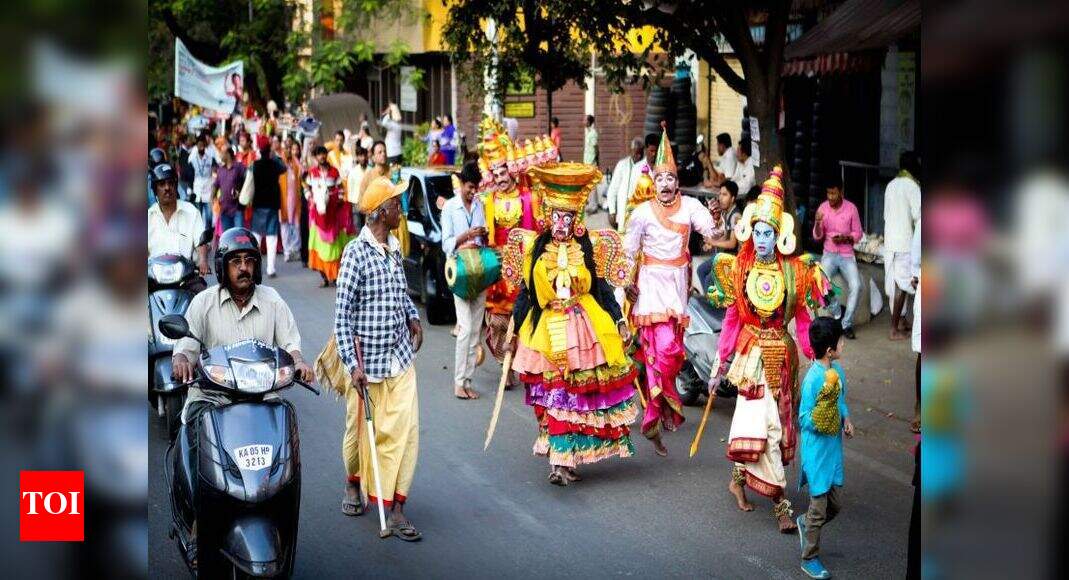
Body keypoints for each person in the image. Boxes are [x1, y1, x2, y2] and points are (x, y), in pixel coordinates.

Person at [170, 227, 314, 566]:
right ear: (222, 266)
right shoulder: (204, 303)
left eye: (250, 260)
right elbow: (186, 347)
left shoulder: (272, 301)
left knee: (285, 446)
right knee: (194, 445)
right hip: (211, 402)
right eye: (236, 261)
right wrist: (180, 360)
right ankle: (197, 524)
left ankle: (279, 521)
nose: (244, 267)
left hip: (261, 402)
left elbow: (291, 346)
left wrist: (299, 363)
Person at [706, 165, 831, 533]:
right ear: (750, 232)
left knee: (773, 425)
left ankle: (738, 479)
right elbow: (731, 321)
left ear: (778, 236)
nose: (761, 239)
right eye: (757, 232)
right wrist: (719, 363)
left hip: (783, 358)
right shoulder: (739, 268)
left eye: (768, 233)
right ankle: (781, 503)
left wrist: (817, 359)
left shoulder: (795, 272)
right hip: (750, 357)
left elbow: (805, 320)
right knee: (767, 427)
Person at [504, 162, 636, 486]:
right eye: (556, 216)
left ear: (575, 220)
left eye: (567, 217)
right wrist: (511, 330)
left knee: (574, 398)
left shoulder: (583, 247)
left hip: (583, 330)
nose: (561, 223)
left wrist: (618, 320)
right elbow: (526, 294)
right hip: (546, 331)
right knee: (553, 395)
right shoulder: (537, 248)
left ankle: (566, 457)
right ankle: (558, 460)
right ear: (548, 216)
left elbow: (600, 288)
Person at [334, 176, 424, 541]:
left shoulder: (394, 248)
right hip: (365, 363)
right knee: (359, 433)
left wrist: (413, 316)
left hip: (399, 357)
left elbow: (401, 292)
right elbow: (342, 316)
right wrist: (352, 366)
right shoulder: (355, 253)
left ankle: (397, 506)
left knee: (407, 431)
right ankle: (353, 483)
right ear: (381, 211)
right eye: (396, 204)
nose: (400, 210)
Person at [623, 127, 719, 456]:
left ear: (676, 181)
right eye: (660, 178)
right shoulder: (642, 213)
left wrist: (718, 215)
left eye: (670, 178)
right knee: (658, 349)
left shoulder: (691, 206)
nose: (665, 184)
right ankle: (653, 411)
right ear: (654, 181)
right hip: (650, 285)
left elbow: (713, 231)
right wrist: (626, 285)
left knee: (674, 352)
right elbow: (626, 252)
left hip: (677, 288)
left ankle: (658, 406)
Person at [476, 117, 541, 365]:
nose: (501, 177)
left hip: (522, 267)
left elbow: (536, 231)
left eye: (504, 172)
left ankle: (519, 361)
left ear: (511, 171)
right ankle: (505, 360)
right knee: (496, 320)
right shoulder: (489, 201)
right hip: (499, 269)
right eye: (496, 173)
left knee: (523, 316)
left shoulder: (528, 198)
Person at [796, 317, 854, 579]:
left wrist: (846, 418)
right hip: (817, 453)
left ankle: (806, 523)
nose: (843, 343)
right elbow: (803, 418)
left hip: (833, 452)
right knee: (819, 508)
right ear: (830, 349)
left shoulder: (837, 373)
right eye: (840, 341)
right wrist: (822, 416)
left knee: (836, 506)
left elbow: (841, 400)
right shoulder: (812, 380)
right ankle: (809, 558)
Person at [440, 161, 488, 399]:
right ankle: (458, 382)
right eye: (470, 187)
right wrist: (467, 235)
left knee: (476, 332)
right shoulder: (449, 208)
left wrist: (483, 235)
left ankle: (468, 382)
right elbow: (446, 244)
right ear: (461, 184)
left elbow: (484, 237)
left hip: (479, 271)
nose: (473, 191)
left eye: (475, 188)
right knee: (466, 328)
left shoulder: (480, 205)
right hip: (460, 272)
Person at [812, 176, 863, 339]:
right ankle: (836, 311)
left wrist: (846, 238)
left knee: (857, 286)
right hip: (829, 254)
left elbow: (858, 233)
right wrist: (817, 223)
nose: (830, 197)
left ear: (841, 192)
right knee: (818, 280)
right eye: (828, 193)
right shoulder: (823, 208)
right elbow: (817, 237)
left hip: (847, 254)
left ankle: (846, 324)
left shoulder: (851, 208)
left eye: (834, 193)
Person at [148, 163, 211, 275]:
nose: (167, 188)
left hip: (186, 277)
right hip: (154, 279)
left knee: (202, 291)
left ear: (176, 186)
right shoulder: (148, 217)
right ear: (154, 189)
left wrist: (203, 261)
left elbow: (201, 242)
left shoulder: (191, 212)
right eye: (162, 184)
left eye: (171, 183)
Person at [884, 150, 921, 340]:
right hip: (905, 242)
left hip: (890, 241)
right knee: (902, 284)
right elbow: (919, 217)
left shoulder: (891, 185)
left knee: (900, 283)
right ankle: (894, 329)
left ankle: (902, 321)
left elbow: (885, 215)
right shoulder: (913, 187)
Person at [306, 145, 356, 286]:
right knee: (318, 245)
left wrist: (336, 199)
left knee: (334, 246)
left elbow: (341, 190)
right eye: (319, 154)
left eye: (323, 154)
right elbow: (307, 189)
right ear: (316, 157)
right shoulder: (312, 172)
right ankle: (324, 277)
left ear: (326, 156)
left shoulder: (334, 172)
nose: (321, 156)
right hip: (317, 216)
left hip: (333, 215)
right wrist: (311, 198)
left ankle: (334, 276)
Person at [695, 180, 741, 290]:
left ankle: (713, 305)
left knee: (709, 280)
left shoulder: (736, 216)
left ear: (733, 198)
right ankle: (710, 302)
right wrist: (711, 244)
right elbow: (725, 237)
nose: (720, 197)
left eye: (724, 195)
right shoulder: (727, 212)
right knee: (701, 270)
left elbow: (732, 243)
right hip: (725, 256)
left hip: (734, 259)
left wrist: (712, 242)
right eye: (720, 194)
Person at [250, 143, 287, 277]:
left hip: (258, 204)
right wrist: (275, 157)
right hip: (272, 205)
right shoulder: (275, 164)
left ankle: (253, 268)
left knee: (256, 237)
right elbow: (284, 168)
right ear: (270, 152)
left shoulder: (255, 165)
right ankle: (270, 269)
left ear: (260, 151)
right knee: (272, 237)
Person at [606, 138, 644, 232]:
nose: (638, 156)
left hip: (639, 210)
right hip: (623, 210)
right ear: (631, 151)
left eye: (640, 153)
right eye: (636, 153)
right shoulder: (622, 165)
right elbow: (612, 190)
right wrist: (612, 211)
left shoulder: (645, 166)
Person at [188, 133, 218, 228]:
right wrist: (190, 188)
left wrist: (215, 186)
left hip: (208, 189)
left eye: (202, 145)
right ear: (196, 145)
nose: (201, 147)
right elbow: (190, 174)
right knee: (198, 216)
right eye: (199, 145)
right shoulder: (192, 159)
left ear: (205, 145)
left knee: (209, 217)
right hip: (197, 189)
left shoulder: (210, 158)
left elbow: (215, 171)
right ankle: (199, 238)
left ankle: (208, 238)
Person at [281, 140, 304, 262]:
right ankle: (287, 251)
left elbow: (302, 170)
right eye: (286, 148)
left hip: (295, 200)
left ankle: (295, 249)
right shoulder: (280, 163)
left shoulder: (294, 162)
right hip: (283, 201)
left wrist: (295, 158)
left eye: (290, 148)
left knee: (296, 225)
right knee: (285, 227)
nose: (289, 151)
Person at [213, 146, 247, 231]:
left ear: (227, 154)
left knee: (238, 235)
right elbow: (215, 186)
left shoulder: (239, 167)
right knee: (227, 237)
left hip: (237, 209)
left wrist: (241, 192)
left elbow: (247, 181)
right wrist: (212, 198)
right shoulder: (220, 170)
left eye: (221, 153)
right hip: (224, 209)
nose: (220, 156)